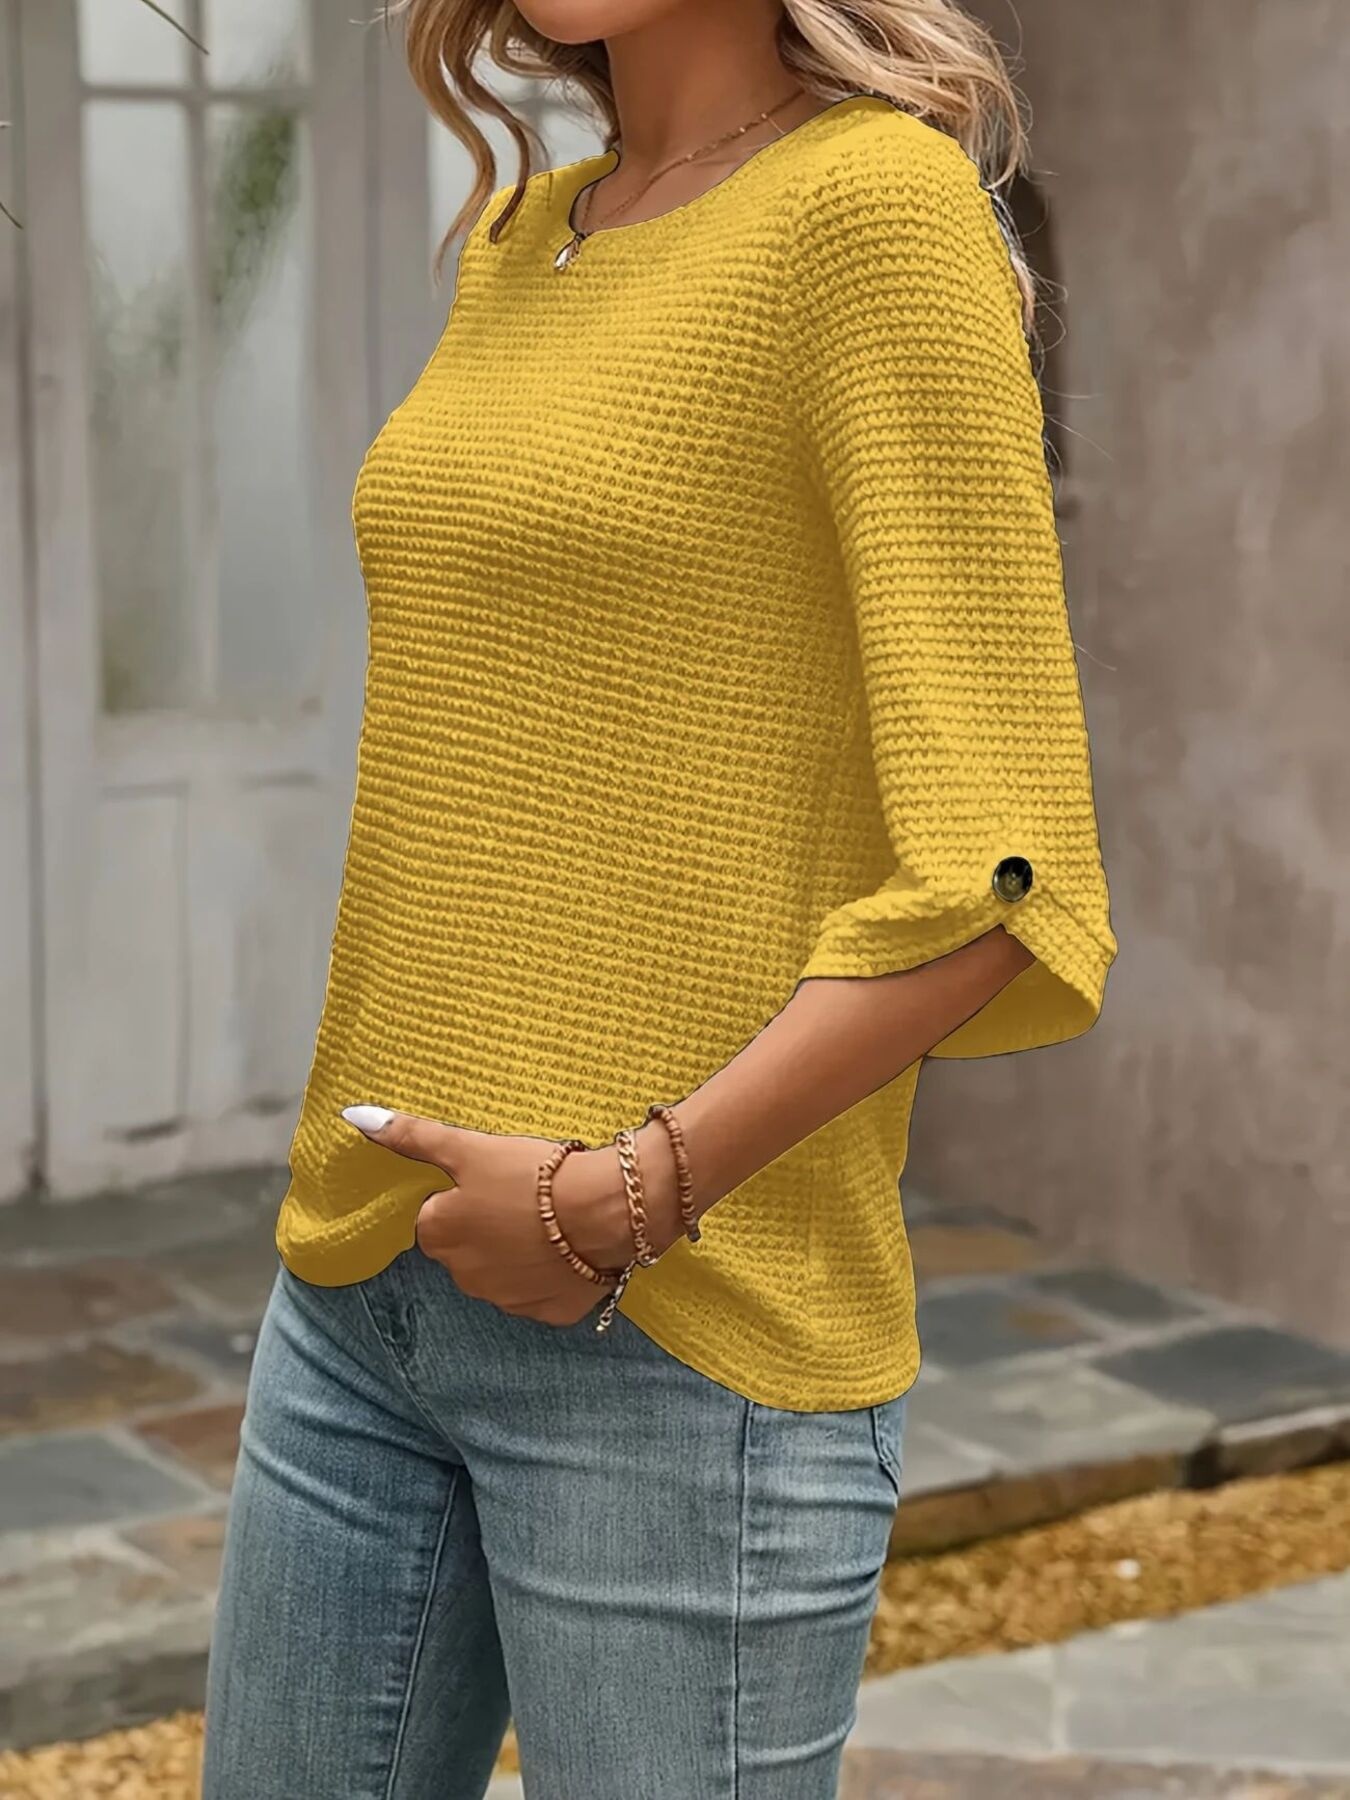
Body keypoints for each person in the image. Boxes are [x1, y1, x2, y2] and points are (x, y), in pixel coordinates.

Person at [202, 1, 1117, 1794]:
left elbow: (1001, 875)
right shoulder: (524, 231)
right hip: (367, 1283)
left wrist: (616, 1200)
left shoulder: (874, 213)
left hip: (678, 1333)